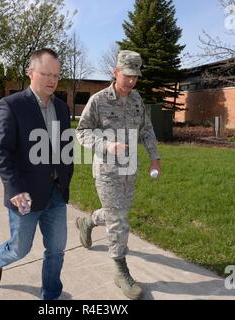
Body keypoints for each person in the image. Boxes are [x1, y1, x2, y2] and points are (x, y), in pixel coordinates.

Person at [75, 50, 162, 300]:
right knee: (119, 219)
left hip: (129, 169)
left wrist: (154, 157)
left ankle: (88, 222)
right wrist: (106, 144)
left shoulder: (137, 100)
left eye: (136, 77)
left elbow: (146, 129)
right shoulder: (98, 100)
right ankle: (120, 269)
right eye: (127, 76)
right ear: (115, 73)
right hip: (107, 170)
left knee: (118, 211)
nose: (132, 82)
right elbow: (82, 132)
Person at [0, 48, 73, 300]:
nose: (52, 80)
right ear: (31, 73)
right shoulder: (11, 105)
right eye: (46, 74)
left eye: (57, 75)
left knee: (56, 249)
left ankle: (51, 294)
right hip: (25, 194)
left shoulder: (61, 107)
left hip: (56, 193)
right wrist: (14, 190)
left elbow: (65, 146)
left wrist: (66, 175)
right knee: (20, 249)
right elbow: (3, 152)